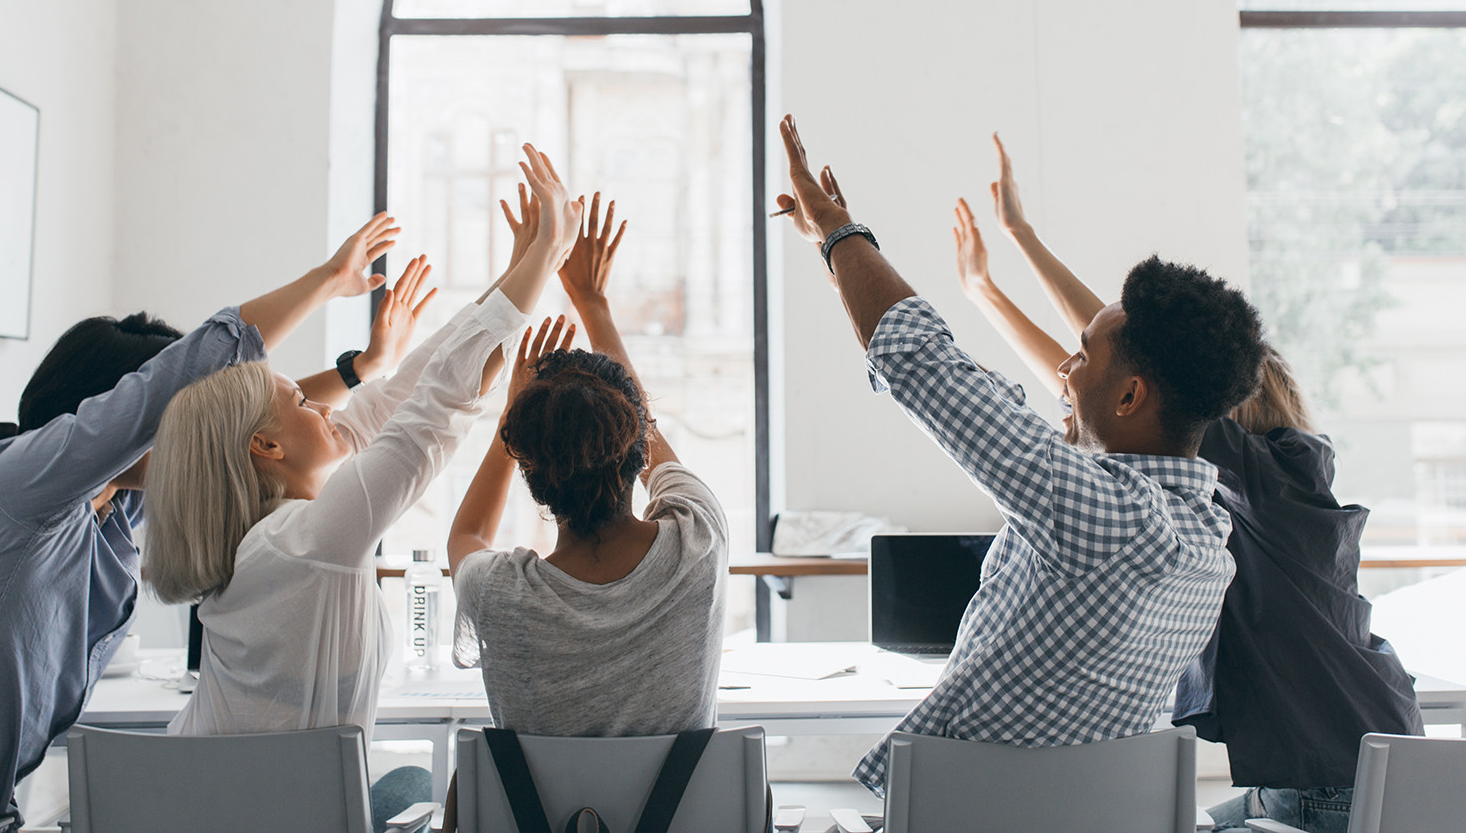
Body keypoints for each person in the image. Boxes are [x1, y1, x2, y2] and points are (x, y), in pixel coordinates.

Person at [773, 115, 1264, 797]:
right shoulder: (1208, 544)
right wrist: (841, 265)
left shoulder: (1110, 519)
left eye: (1082, 356)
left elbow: (927, 368)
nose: (1064, 372)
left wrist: (836, 230)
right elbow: (984, 402)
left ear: (1128, 398)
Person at [952, 134, 1423, 833]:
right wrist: (984, 291)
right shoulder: (1274, 496)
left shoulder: (1267, 480)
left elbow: (1131, 357)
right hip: (1341, 774)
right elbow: (1093, 389)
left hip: (1330, 792)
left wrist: (1023, 237)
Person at [0, 212, 406, 833]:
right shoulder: (16, 484)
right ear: (113, 419)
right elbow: (197, 396)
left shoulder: (115, 506)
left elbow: (249, 426)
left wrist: (357, 372)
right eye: (170, 414)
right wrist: (328, 279)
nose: (191, 431)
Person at [141, 147, 579, 830]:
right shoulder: (302, 546)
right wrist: (541, 255)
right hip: (260, 817)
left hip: (212, 806)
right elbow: (433, 409)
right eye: (301, 401)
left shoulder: (274, 543)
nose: (327, 407)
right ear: (267, 447)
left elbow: (406, 390)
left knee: (403, 779)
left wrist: (528, 270)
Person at [447, 193, 730, 741]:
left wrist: (513, 412)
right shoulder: (701, 539)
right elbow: (646, 429)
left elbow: (467, 533)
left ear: (525, 460)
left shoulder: (496, 593)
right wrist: (592, 302)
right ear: (638, 449)